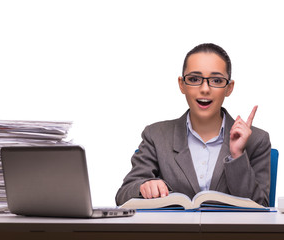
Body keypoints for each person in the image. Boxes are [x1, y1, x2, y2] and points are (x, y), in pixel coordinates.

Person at [115, 43, 271, 207]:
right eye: (194, 79)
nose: (205, 89)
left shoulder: (257, 140)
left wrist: (237, 155)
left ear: (229, 88)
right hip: (172, 232)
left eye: (216, 80)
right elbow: (123, 195)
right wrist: (143, 187)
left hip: (231, 232)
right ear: (182, 84)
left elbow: (262, 207)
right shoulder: (156, 135)